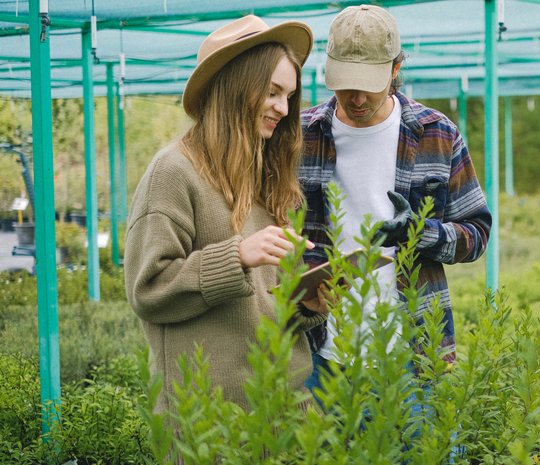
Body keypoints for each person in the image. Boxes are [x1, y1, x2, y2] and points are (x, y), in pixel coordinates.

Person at [124, 15, 324, 411]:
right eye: (272, 92)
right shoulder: (173, 173)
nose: (284, 108)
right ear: (237, 87)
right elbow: (148, 291)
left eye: (288, 96)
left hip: (288, 410)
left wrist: (305, 303)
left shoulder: (271, 177)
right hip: (213, 422)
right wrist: (237, 256)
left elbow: (264, 307)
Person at [298, 4, 491, 389]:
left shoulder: (437, 134)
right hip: (319, 351)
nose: (355, 98)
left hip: (413, 350)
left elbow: (477, 234)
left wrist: (421, 233)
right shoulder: (301, 136)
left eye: (369, 84)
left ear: (396, 68)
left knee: (420, 450)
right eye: (346, 83)